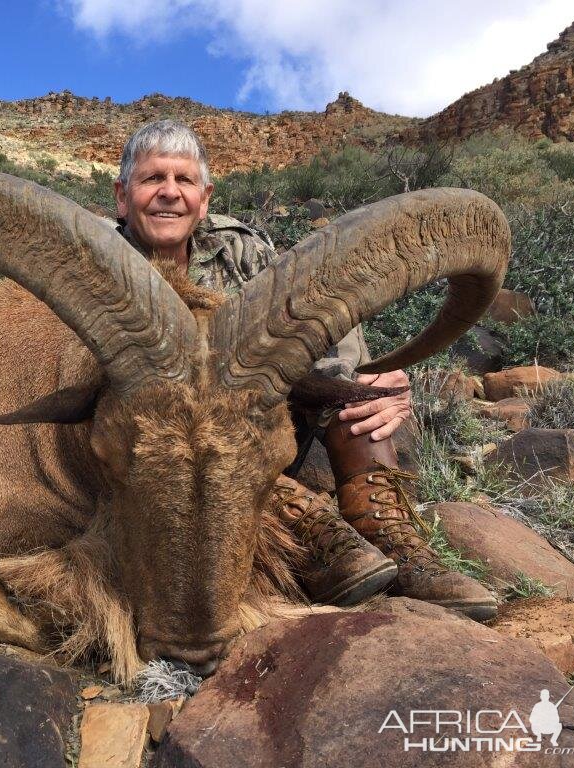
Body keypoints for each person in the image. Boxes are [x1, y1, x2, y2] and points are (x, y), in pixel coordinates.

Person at [111, 119, 497, 621]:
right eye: (151, 179)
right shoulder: (94, 262)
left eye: (184, 181)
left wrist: (364, 383)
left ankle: (400, 546)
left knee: (353, 395)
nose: (169, 193)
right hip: (148, 446)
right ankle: (314, 535)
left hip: (264, 417)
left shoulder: (241, 249)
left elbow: (315, 326)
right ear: (122, 196)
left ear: (204, 198)